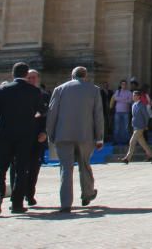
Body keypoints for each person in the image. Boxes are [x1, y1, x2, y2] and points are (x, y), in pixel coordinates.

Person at [0, 62, 45, 216]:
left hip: (4, 134)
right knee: (21, 169)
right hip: (26, 135)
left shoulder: (3, 89)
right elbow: (42, 112)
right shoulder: (34, 91)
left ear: (13, 74)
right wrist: (35, 119)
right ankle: (17, 203)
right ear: (26, 75)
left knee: (0, 167)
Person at [46, 66, 104, 214]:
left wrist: (50, 134)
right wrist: (99, 137)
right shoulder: (94, 90)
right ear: (85, 76)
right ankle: (87, 193)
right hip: (86, 136)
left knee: (65, 169)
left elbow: (52, 113)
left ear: (72, 75)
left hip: (63, 135)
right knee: (85, 165)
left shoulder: (59, 89)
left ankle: (65, 204)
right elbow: (98, 115)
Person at [17, 69, 48, 207]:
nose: (31, 80)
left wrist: (45, 132)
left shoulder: (44, 95)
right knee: (20, 167)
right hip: (21, 136)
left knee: (34, 167)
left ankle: (30, 194)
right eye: (29, 77)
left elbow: (48, 115)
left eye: (34, 78)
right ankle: (19, 193)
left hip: (37, 136)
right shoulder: (18, 94)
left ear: (38, 79)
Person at [123, 90, 152, 164]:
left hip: (140, 127)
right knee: (142, 143)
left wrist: (146, 125)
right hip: (135, 126)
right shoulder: (133, 105)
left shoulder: (142, 105)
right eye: (133, 95)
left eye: (134, 95)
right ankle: (150, 155)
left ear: (138, 97)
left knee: (132, 141)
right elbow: (133, 116)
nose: (133, 97)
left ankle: (128, 158)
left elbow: (146, 116)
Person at [111, 80, 131, 145]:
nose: (124, 85)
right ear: (120, 85)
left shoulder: (129, 92)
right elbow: (115, 98)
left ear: (126, 85)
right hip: (118, 112)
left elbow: (130, 100)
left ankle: (127, 140)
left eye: (125, 84)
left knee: (126, 127)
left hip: (126, 112)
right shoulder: (117, 91)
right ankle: (115, 141)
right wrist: (125, 99)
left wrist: (120, 99)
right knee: (117, 127)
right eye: (122, 84)